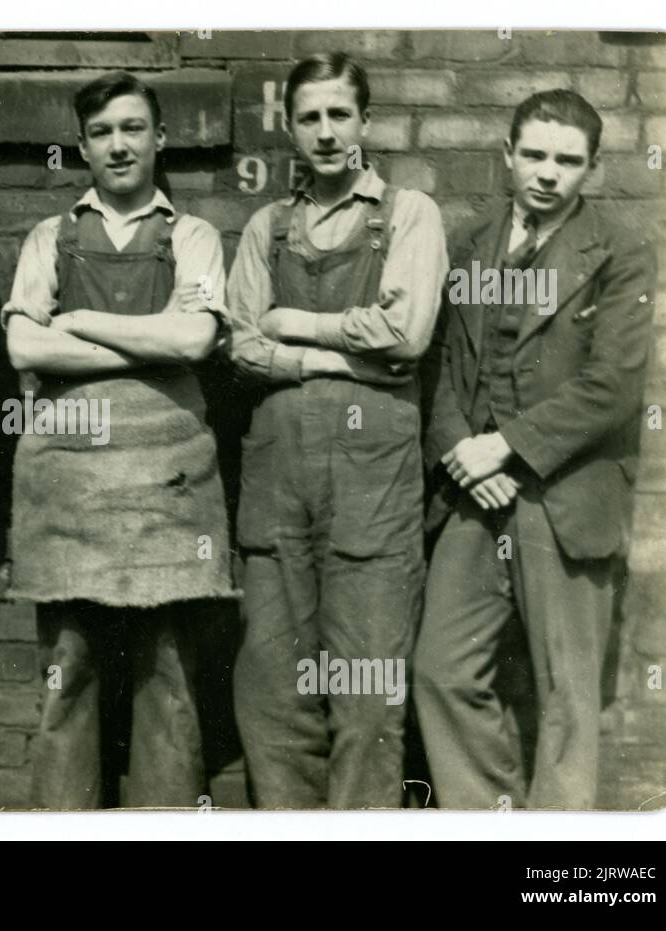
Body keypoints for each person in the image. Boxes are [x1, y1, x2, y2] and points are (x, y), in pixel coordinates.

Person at [414, 89, 656, 810]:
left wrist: (508, 448)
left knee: (567, 696)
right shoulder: (473, 244)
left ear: (591, 168)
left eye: (568, 161)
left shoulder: (619, 252)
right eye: (536, 155)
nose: (548, 173)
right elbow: (446, 369)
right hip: (476, 497)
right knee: (440, 669)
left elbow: (612, 386)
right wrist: (463, 450)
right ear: (508, 155)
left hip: (565, 496)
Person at [5, 71, 237, 809]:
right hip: (69, 479)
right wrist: (148, 343)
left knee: (165, 667)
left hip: (167, 480)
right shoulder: (50, 236)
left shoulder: (193, 235)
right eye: (102, 132)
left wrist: (80, 323)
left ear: (159, 138)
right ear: (82, 146)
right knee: (68, 665)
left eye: (133, 128)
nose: (119, 145)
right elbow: (22, 346)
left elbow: (197, 338)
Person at [226, 52, 449, 809]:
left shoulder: (409, 213)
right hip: (278, 480)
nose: (325, 132)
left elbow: (407, 334)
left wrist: (297, 324)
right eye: (309, 117)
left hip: (372, 488)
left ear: (365, 120)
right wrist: (347, 364)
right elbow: (242, 345)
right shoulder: (267, 226)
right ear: (289, 126)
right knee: (272, 691)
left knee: (367, 692)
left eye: (339, 115)